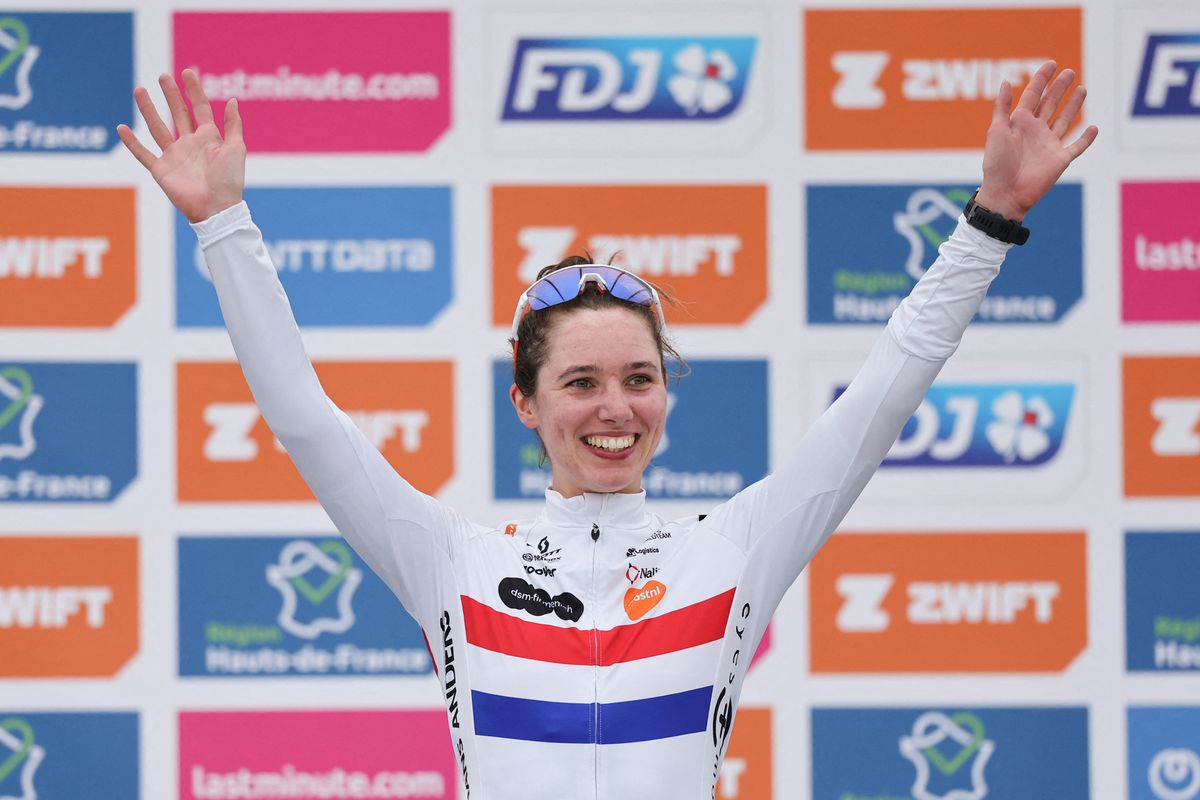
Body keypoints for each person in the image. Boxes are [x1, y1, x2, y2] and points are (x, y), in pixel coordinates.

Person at [119, 62, 1096, 799]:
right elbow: (303, 414)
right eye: (579, 381)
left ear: (667, 393)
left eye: (639, 377)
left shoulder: (735, 546)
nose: (614, 407)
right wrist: (224, 226)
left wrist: (991, 220)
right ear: (526, 401)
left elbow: (887, 387)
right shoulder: (448, 557)